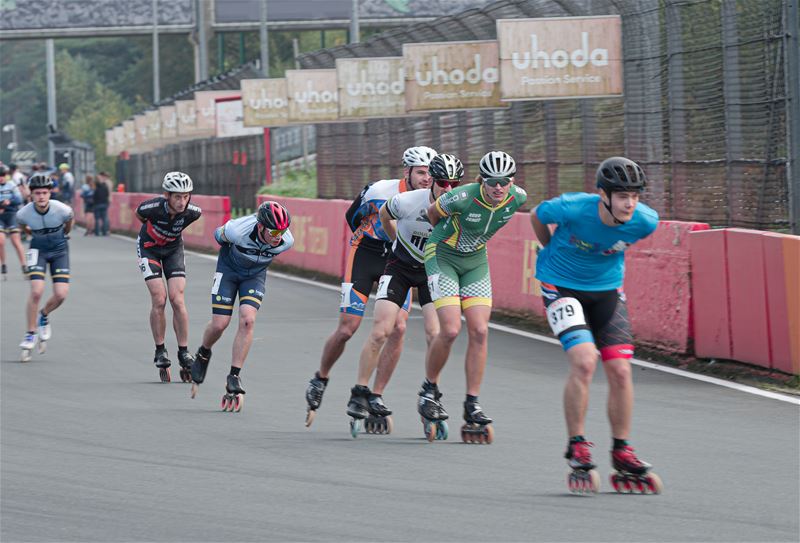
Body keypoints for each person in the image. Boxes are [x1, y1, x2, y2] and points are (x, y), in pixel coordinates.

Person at [530, 156, 662, 494]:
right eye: (621, 196)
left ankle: (622, 449)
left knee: (620, 369)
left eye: (634, 196)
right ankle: (577, 444)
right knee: (585, 361)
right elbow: (537, 215)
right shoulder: (573, 208)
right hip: (560, 285)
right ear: (603, 195)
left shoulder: (646, 222)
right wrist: (550, 249)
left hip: (607, 292)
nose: (630, 203)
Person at [303, 146, 437, 426]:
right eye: (421, 172)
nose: (427, 178)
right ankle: (321, 378)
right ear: (407, 172)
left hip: (398, 258)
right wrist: (369, 237)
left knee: (398, 328)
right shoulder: (380, 191)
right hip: (366, 251)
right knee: (348, 327)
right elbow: (352, 216)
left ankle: (375, 395)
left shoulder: (433, 199)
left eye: (430, 173)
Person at [346, 154, 464, 436]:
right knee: (380, 331)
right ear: (432, 182)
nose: (448, 189)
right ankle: (361, 391)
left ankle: (430, 392)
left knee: (436, 334)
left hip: (432, 271)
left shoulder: (459, 205)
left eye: (454, 184)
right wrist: (395, 239)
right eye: (443, 183)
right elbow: (386, 215)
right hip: (399, 267)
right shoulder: (410, 201)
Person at [418, 150, 527, 444]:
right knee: (451, 329)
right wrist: (445, 233)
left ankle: (472, 402)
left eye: (504, 181)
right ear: (482, 180)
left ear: (511, 181)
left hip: (475, 261)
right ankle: (429, 390)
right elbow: (432, 214)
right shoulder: (463, 197)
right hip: (442, 255)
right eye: (492, 181)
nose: (498, 187)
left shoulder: (518, 198)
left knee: (479, 330)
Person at [189, 201, 294, 412]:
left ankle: (234, 375)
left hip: (254, 275)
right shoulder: (237, 230)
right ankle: (203, 352)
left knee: (248, 320)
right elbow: (218, 236)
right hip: (228, 270)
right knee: (220, 324)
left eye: (282, 231)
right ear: (261, 226)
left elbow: (276, 242)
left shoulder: (286, 241)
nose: (278, 236)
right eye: (273, 231)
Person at [135, 171, 202, 382]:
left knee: (177, 298)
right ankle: (160, 349)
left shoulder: (193, 212)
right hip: (149, 249)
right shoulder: (151, 208)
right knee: (159, 298)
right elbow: (140, 217)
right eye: (177, 197)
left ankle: (183, 351)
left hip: (173, 250)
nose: (182, 202)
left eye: (186, 196)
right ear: (167, 195)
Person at [15, 172, 74, 362]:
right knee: (36, 292)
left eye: (44, 193)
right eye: (37, 193)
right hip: (38, 251)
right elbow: (23, 226)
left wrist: (66, 233)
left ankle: (44, 314)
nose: (41, 196)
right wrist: (31, 235)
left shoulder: (62, 209)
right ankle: (30, 332)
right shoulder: (23, 213)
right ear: (31, 195)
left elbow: (69, 221)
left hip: (59, 251)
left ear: (50, 194)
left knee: (61, 294)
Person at [0, 165, 27, 278]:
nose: (1, 178)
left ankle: (24, 265)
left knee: (16, 241)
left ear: (6, 176)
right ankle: (4, 264)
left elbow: (19, 199)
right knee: (0, 241)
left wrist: (8, 202)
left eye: (3, 175)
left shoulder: (11, 185)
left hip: (11, 214)